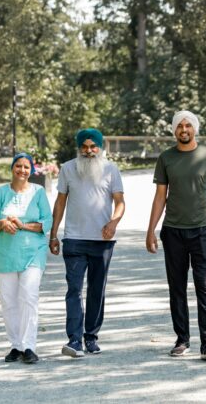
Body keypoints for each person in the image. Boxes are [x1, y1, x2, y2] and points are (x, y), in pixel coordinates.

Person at [146, 110, 206, 361]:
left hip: (202, 230)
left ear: (194, 129)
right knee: (177, 287)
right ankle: (182, 339)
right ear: (174, 131)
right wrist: (151, 229)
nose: (184, 130)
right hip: (173, 231)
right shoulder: (166, 158)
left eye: (188, 126)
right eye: (179, 126)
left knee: (203, 286)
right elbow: (160, 196)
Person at [50, 128, 125, 358]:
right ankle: (74, 340)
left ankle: (91, 337)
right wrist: (53, 234)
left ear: (100, 148)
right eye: (85, 146)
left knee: (96, 290)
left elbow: (120, 202)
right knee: (74, 290)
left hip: (102, 241)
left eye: (94, 146)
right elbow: (60, 203)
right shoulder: (67, 169)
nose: (89, 151)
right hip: (74, 239)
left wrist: (113, 222)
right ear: (79, 147)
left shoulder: (111, 170)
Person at [0, 152, 53, 364]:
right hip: (6, 253)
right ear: (12, 168)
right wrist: (1, 224)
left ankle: (29, 346)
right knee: (9, 301)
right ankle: (15, 345)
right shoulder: (1, 192)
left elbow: (47, 222)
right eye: (18, 166)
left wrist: (22, 225)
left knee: (29, 297)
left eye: (26, 167)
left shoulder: (39, 192)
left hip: (33, 252)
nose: (22, 170)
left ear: (31, 170)